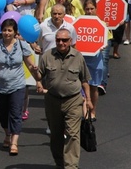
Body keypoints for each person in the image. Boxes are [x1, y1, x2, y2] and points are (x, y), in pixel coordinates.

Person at [35, 29, 92, 168]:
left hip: (73, 101)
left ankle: (71, 166)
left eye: (64, 40)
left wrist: (89, 100)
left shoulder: (78, 57)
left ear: (70, 41)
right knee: (56, 136)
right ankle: (60, 164)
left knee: (73, 135)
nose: (61, 43)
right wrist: (34, 70)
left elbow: (85, 80)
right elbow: (39, 76)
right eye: (58, 40)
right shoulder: (47, 56)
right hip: (53, 101)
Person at [0, 19, 39, 156]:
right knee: (3, 114)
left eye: (10, 30)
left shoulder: (22, 45)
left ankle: (14, 142)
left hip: (17, 85)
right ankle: (7, 135)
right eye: (4, 30)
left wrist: (36, 73)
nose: (6, 33)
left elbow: (29, 64)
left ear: (15, 32)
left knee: (16, 114)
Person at [80, 0, 107, 121]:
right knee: (82, 85)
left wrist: (104, 44)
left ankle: (93, 110)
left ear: (95, 9)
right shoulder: (80, 22)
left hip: (96, 59)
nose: (89, 11)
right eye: (87, 9)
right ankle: (84, 110)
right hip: (83, 59)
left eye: (92, 9)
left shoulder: (102, 23)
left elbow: (106, 39)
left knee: (94, 86)